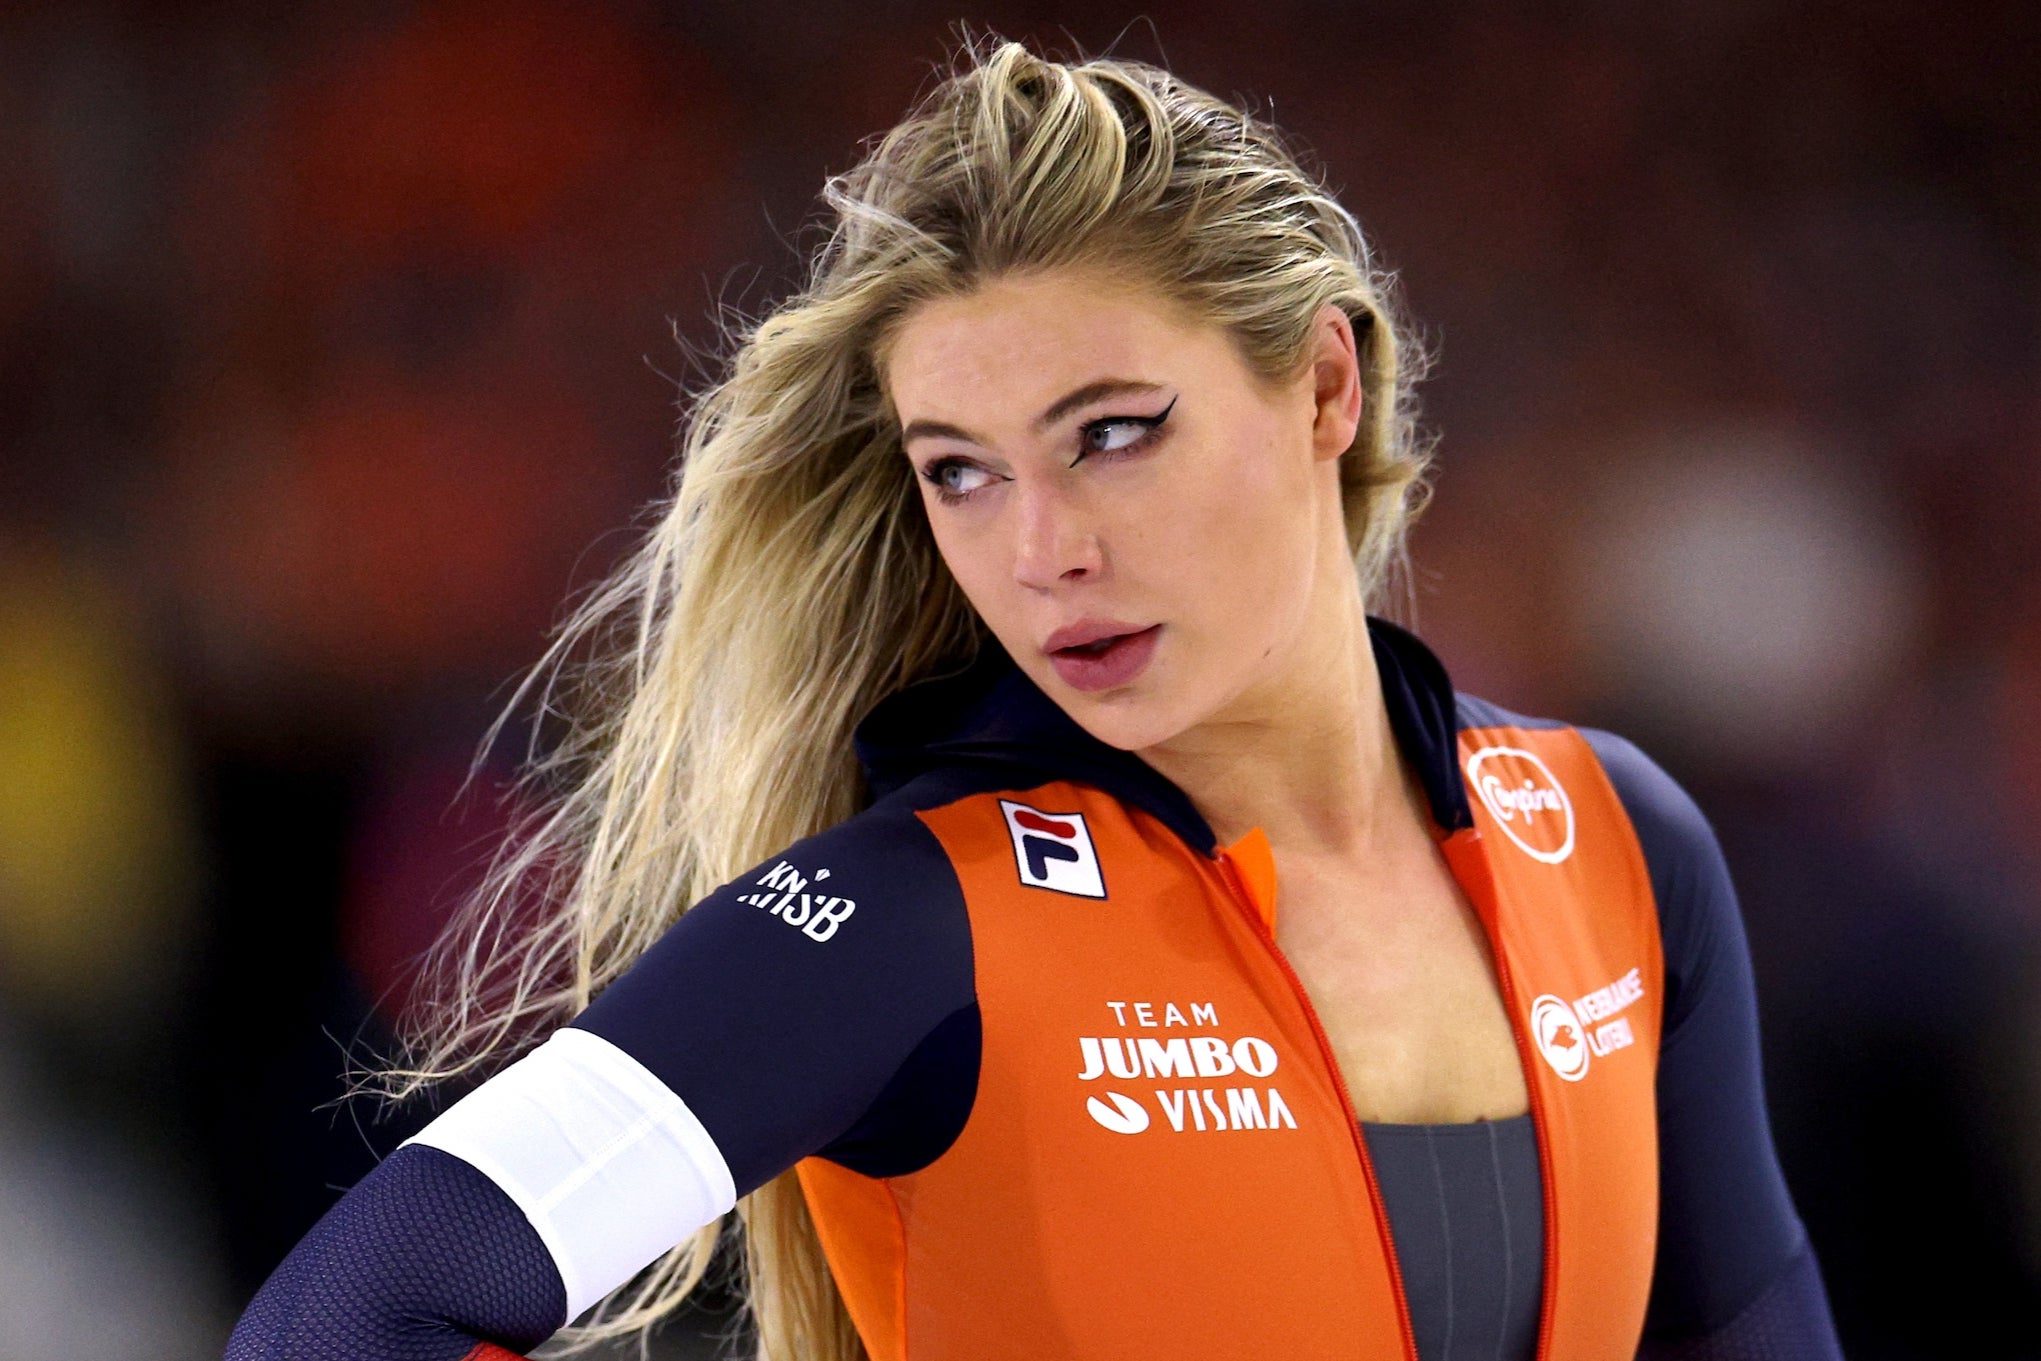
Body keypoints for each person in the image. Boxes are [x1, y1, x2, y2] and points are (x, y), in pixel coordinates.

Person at [226, 40, 1846, 1361]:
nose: (1045, 549)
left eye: (1113, 432)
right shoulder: (904, 925)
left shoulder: (1615, 843)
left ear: (1326, 389)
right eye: (962, 472)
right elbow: (344, 1316)